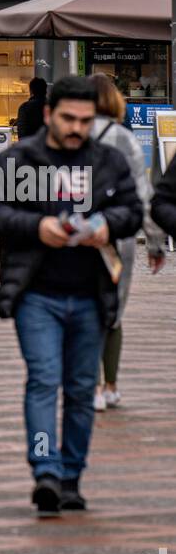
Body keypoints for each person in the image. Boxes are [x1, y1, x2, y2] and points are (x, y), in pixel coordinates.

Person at [0, 76, 143, 516]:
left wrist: (108, 225)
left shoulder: (107, 160)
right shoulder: (21, 159)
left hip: (91, 293)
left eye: (85, 121)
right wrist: (37, 228)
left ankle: (71, 476)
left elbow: (133, 210)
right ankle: (45, 471)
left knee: (81, 386)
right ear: (49, 114)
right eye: (68, 118)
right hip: (37, 294)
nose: (76, 128)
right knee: (44, 379)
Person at [87, 72, 167, 411]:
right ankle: (111, 386)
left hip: (76, 233)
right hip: (117, 236)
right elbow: (143, 194)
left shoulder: (65, 134)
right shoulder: (124, 139)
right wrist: (155, 242)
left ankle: (89, 387)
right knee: (113, 311)